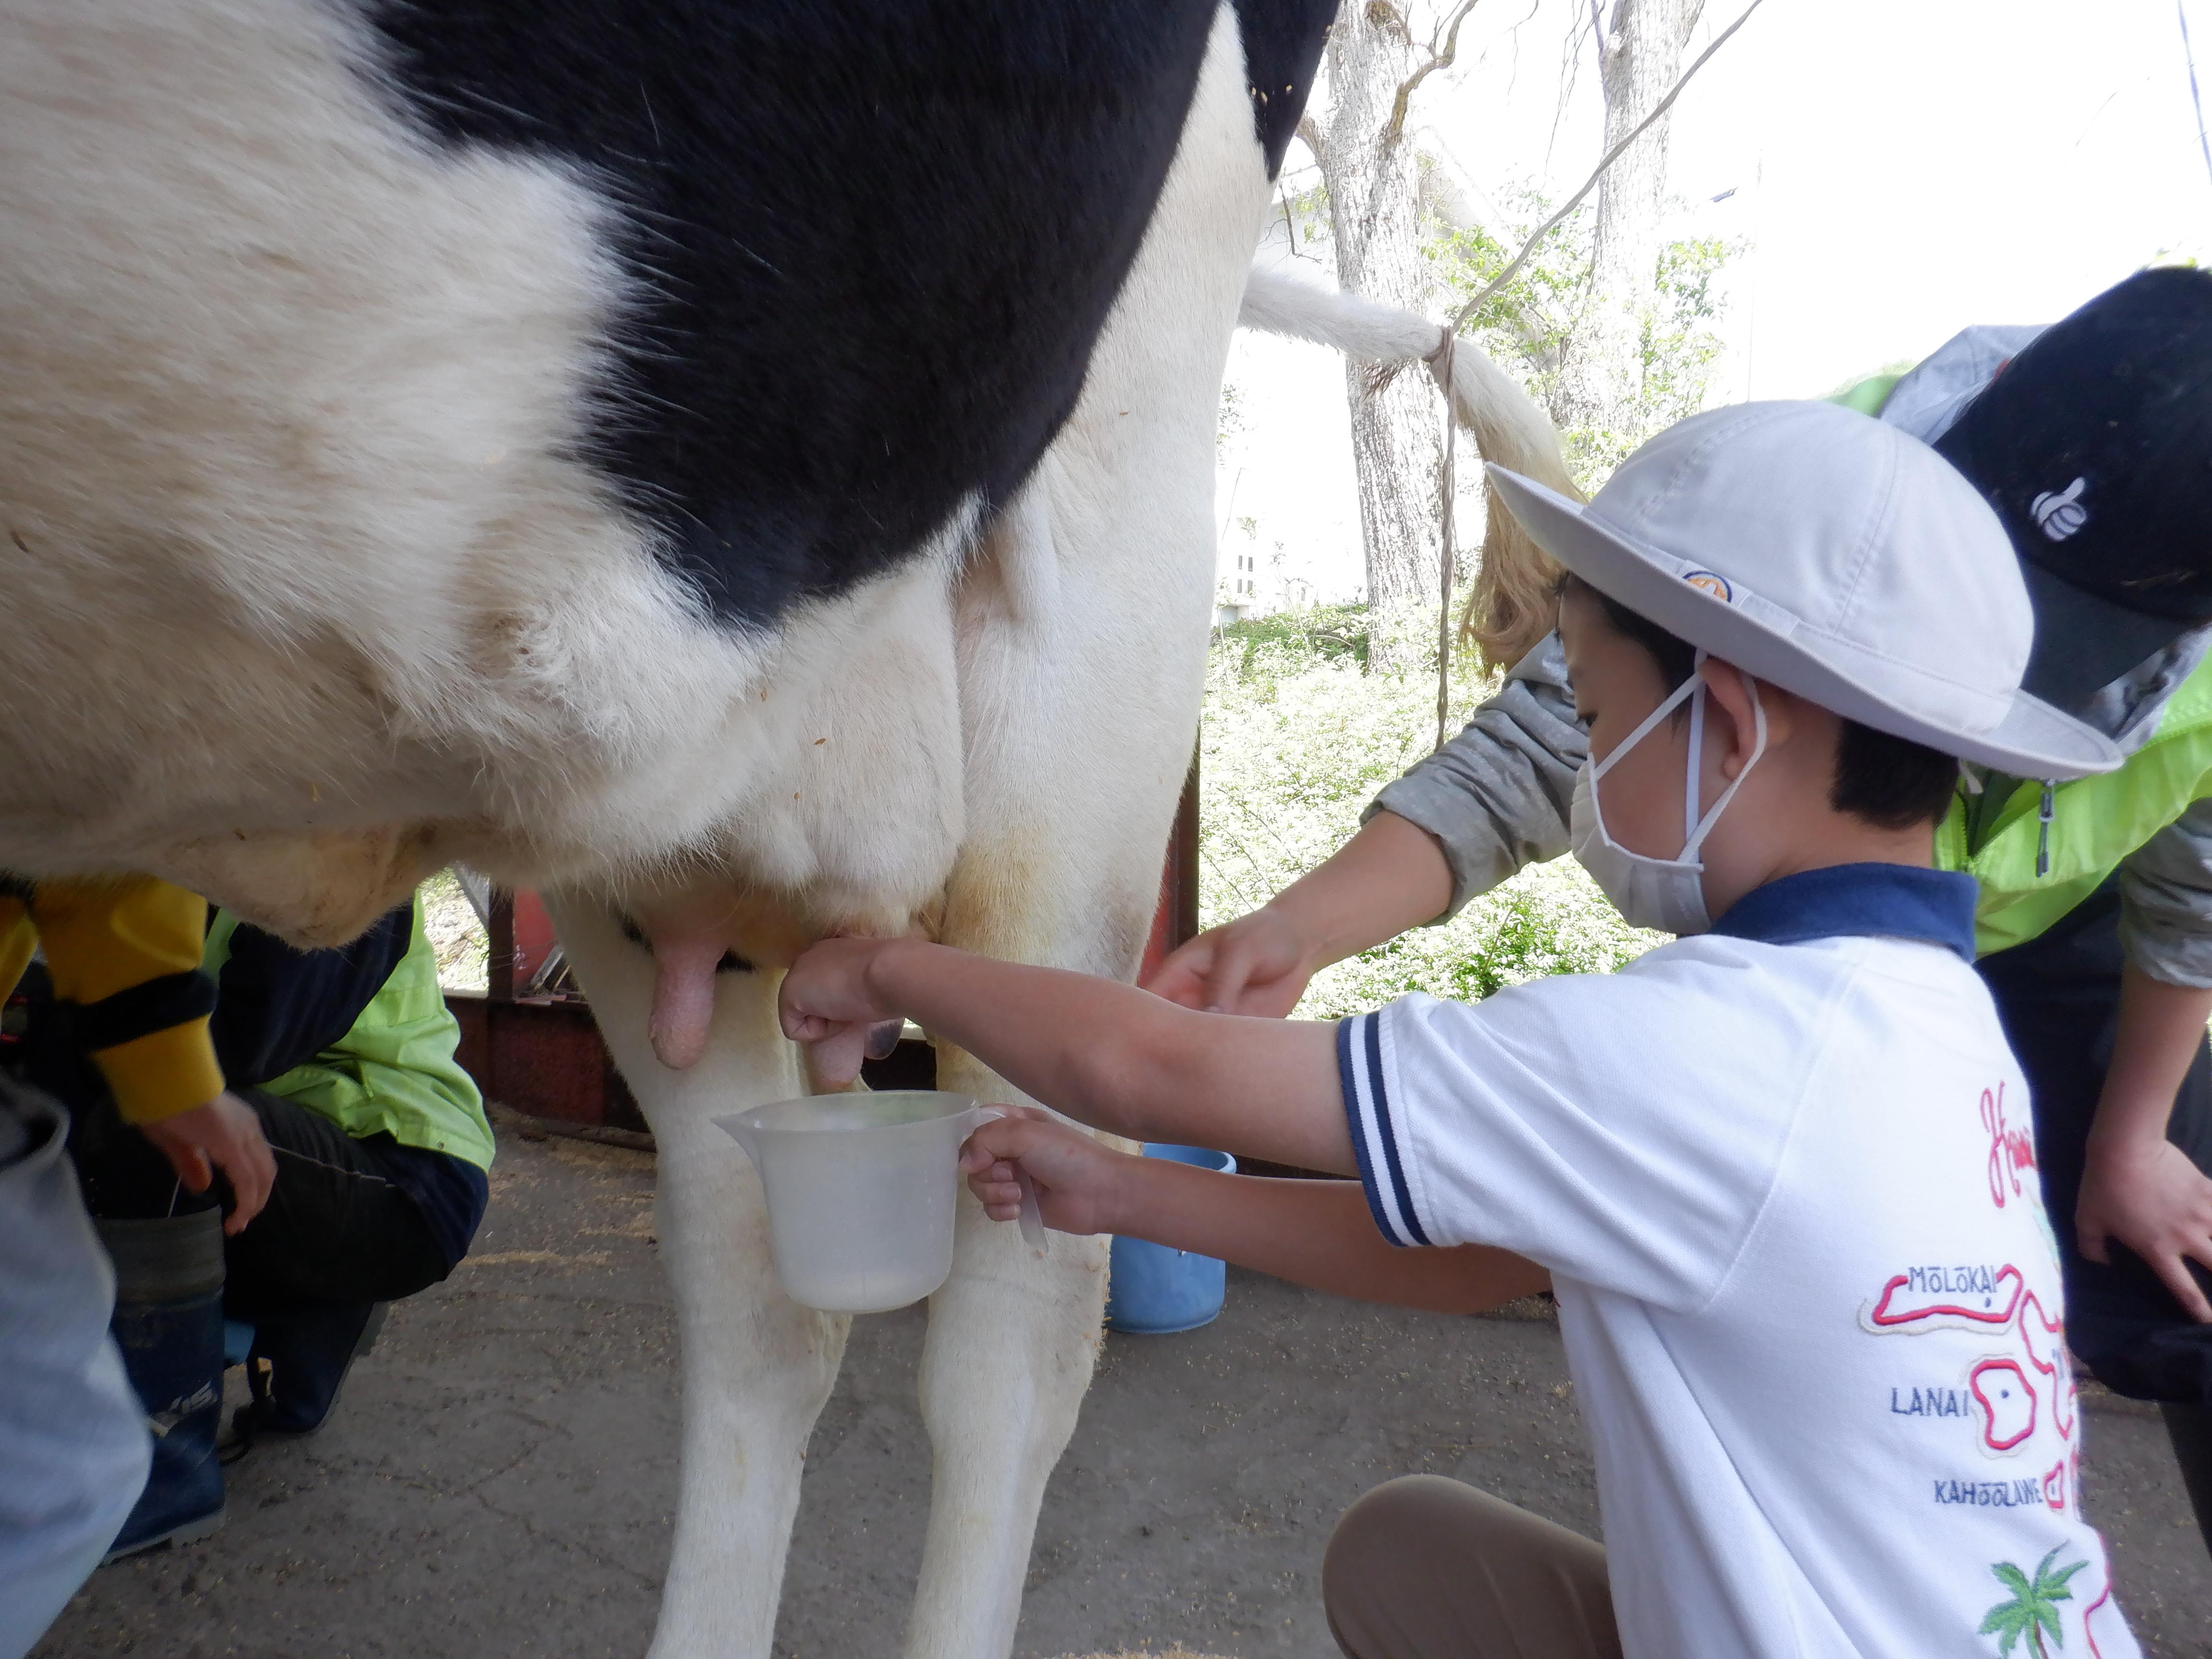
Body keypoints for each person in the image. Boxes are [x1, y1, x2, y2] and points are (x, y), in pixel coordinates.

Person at [776, 400, 2145, 1658]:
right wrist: (1123, 1194)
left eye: (1596, 718)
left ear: (1725, 722)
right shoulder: (1938, 1028)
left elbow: (1143, 1065)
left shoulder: (1711, 1051)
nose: (1586, 766)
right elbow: (1484, 1258)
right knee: (1417, 1558)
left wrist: (889, 966)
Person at [1148, 265, 2212, 1554]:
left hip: (2046, 944)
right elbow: (1546, 747)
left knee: (2172, 1287)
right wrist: (1299, 929)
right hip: (1840, 930)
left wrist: (2134, 1136)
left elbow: (2192, 894)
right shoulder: (1818, 488)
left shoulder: (1679, 1047)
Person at [11, 888, 493, 1562]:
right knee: (64, 1132)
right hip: (288, 1168)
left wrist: (59, 1035)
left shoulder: (343, 869)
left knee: (151, 1119)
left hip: (404, 1176)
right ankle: (310, 1313)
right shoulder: (147, 882)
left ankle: (169, 1472)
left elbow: (246, 1042)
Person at [0, 874, 273, 1659]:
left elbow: (260, 1038)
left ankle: (181, 1451)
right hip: (178, 1057)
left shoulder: (342, 898)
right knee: (73, 1471)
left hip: (392, 1160)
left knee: (142, 1136)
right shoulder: (228, 852)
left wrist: (163, 1066)